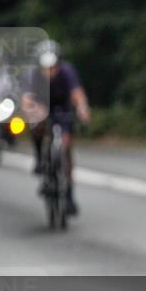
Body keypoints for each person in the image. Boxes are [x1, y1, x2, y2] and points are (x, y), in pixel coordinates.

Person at [21, 40, 91, 216]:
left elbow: (77, 93)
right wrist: (34, 110)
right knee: (37, 125)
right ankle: (39, 159)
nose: (49, 72)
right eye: (45, 67)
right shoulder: (33, 75)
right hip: (41, 108)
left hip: (62, 110)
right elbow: (27, 100)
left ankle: (68, 192)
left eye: (53, 67)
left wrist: (82, 109)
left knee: (66, 145)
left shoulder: (67, 71)